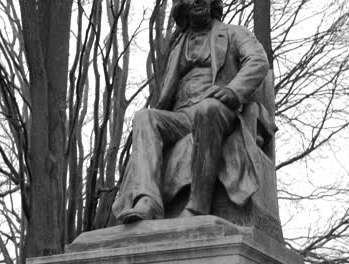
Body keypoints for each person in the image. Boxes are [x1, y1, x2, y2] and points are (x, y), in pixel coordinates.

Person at [112, 0, 269, 223]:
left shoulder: (234, 33)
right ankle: (148, 200)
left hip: (218, 107)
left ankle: (198, 205)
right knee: (144, 117)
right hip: (182, 115)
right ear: (182, 6)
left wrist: (233, 92)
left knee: (208, 109)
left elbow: (258, 61)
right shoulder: (177, 49)